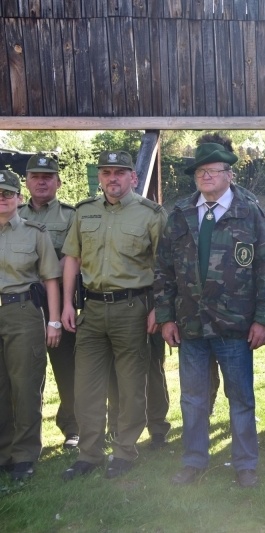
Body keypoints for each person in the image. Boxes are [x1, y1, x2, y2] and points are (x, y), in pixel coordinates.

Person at [154, 142, 265, 488]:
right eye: (199, 171)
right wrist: (165, 317)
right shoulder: (179, 213)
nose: (205, 176)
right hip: (190, 323)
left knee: (240, 399)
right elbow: (163, 269)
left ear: (229, 175)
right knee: (193, 398)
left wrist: (263, 318)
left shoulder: (249, 212)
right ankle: (193, 461)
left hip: (234, 325)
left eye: (212, 170)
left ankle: (245, 465)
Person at [60, 150, 166, 480]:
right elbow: (72, 260)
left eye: (119, 172)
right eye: (106, 172)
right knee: (86, 387)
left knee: (132, 385)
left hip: (132, 309)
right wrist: (66, 304)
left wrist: (158, 308)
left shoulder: (151, 214)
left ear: (132, 177)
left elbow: (164, 266)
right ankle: (88, 455)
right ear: (100, 177)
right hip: (90, 309)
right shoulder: (84, 212)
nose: (112, 178)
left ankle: (124, 452)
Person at [0, 169, 61, 481]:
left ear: (18, 198)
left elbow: (51, 279)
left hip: (22, 312)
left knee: (25, 386)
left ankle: (23, 455)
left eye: (7, 193)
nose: (1, 198)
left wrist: (53, 321)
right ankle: (3, 452)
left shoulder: (35, 232)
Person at [18, 154, 80, 449]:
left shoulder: (71, 216)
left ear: (58, 181)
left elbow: (71, 259)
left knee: (67, 368)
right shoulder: (12, 213)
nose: (41, 182)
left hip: (57, 300)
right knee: (22, 372)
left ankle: (73, 427)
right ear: (26, 181)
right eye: (35, 177)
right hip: (20, 304)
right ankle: (21, 435)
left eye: (47, 177)